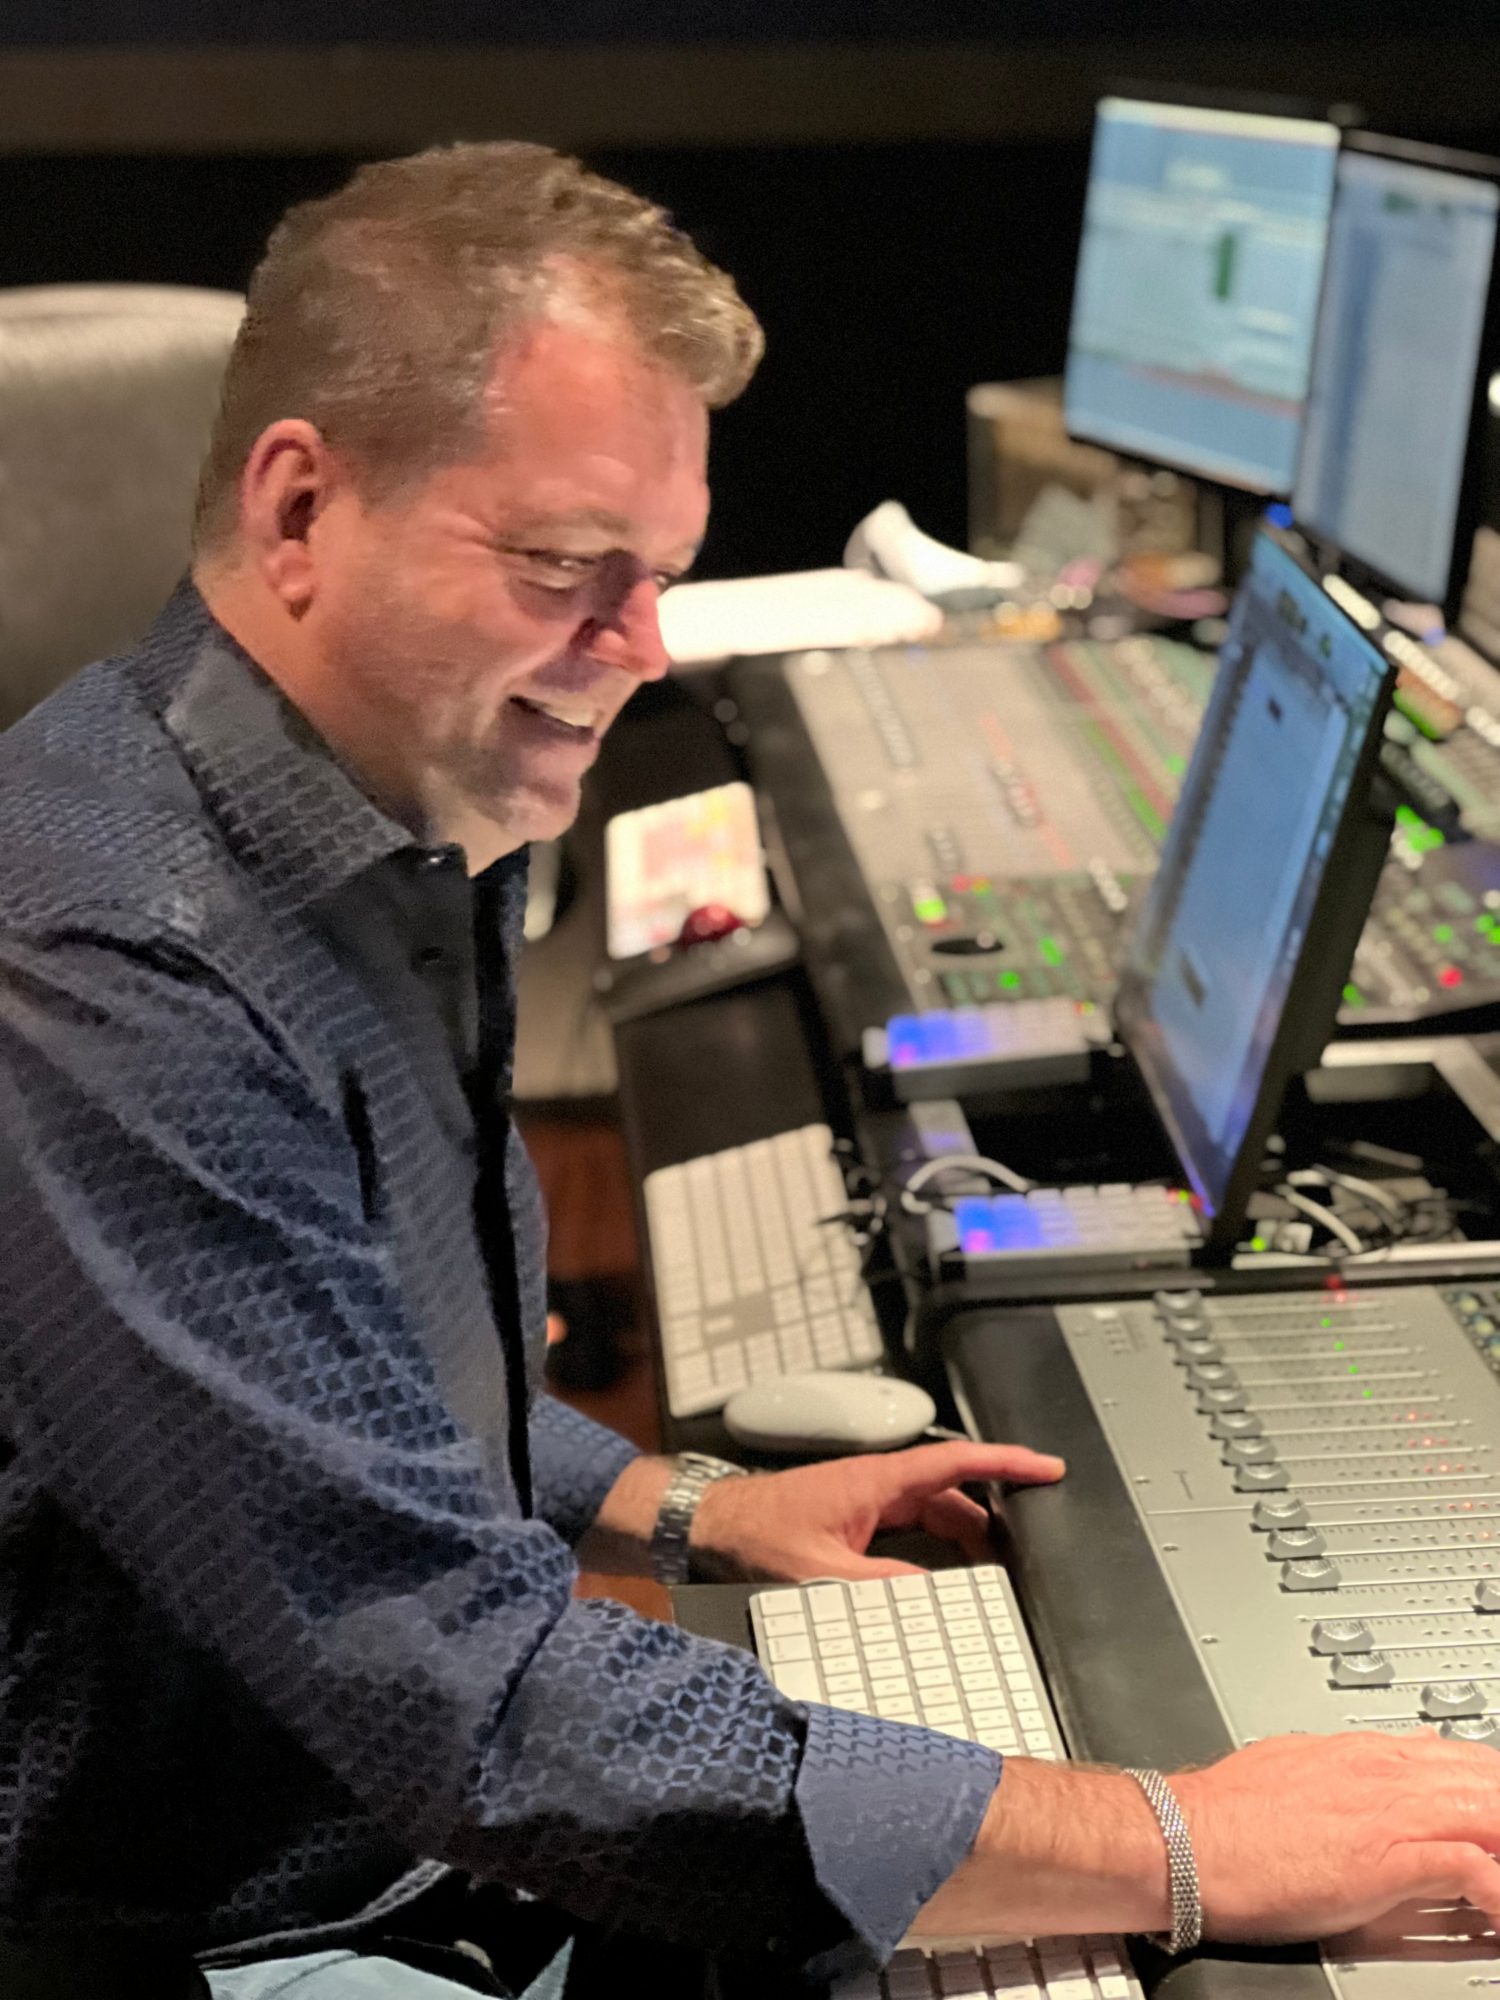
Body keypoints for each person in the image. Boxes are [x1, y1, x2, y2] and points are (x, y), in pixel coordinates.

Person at [2, 142, 1499, 2000]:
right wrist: (1179, 1841)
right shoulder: (106, 973)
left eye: (662, 577)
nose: (637, 651)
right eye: (568, 568)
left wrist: (682, 1503)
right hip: (221, 1927)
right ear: (300, 507)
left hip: (396, 1828)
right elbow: (473, 1704)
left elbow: (355, 1371)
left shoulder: (399, 800)